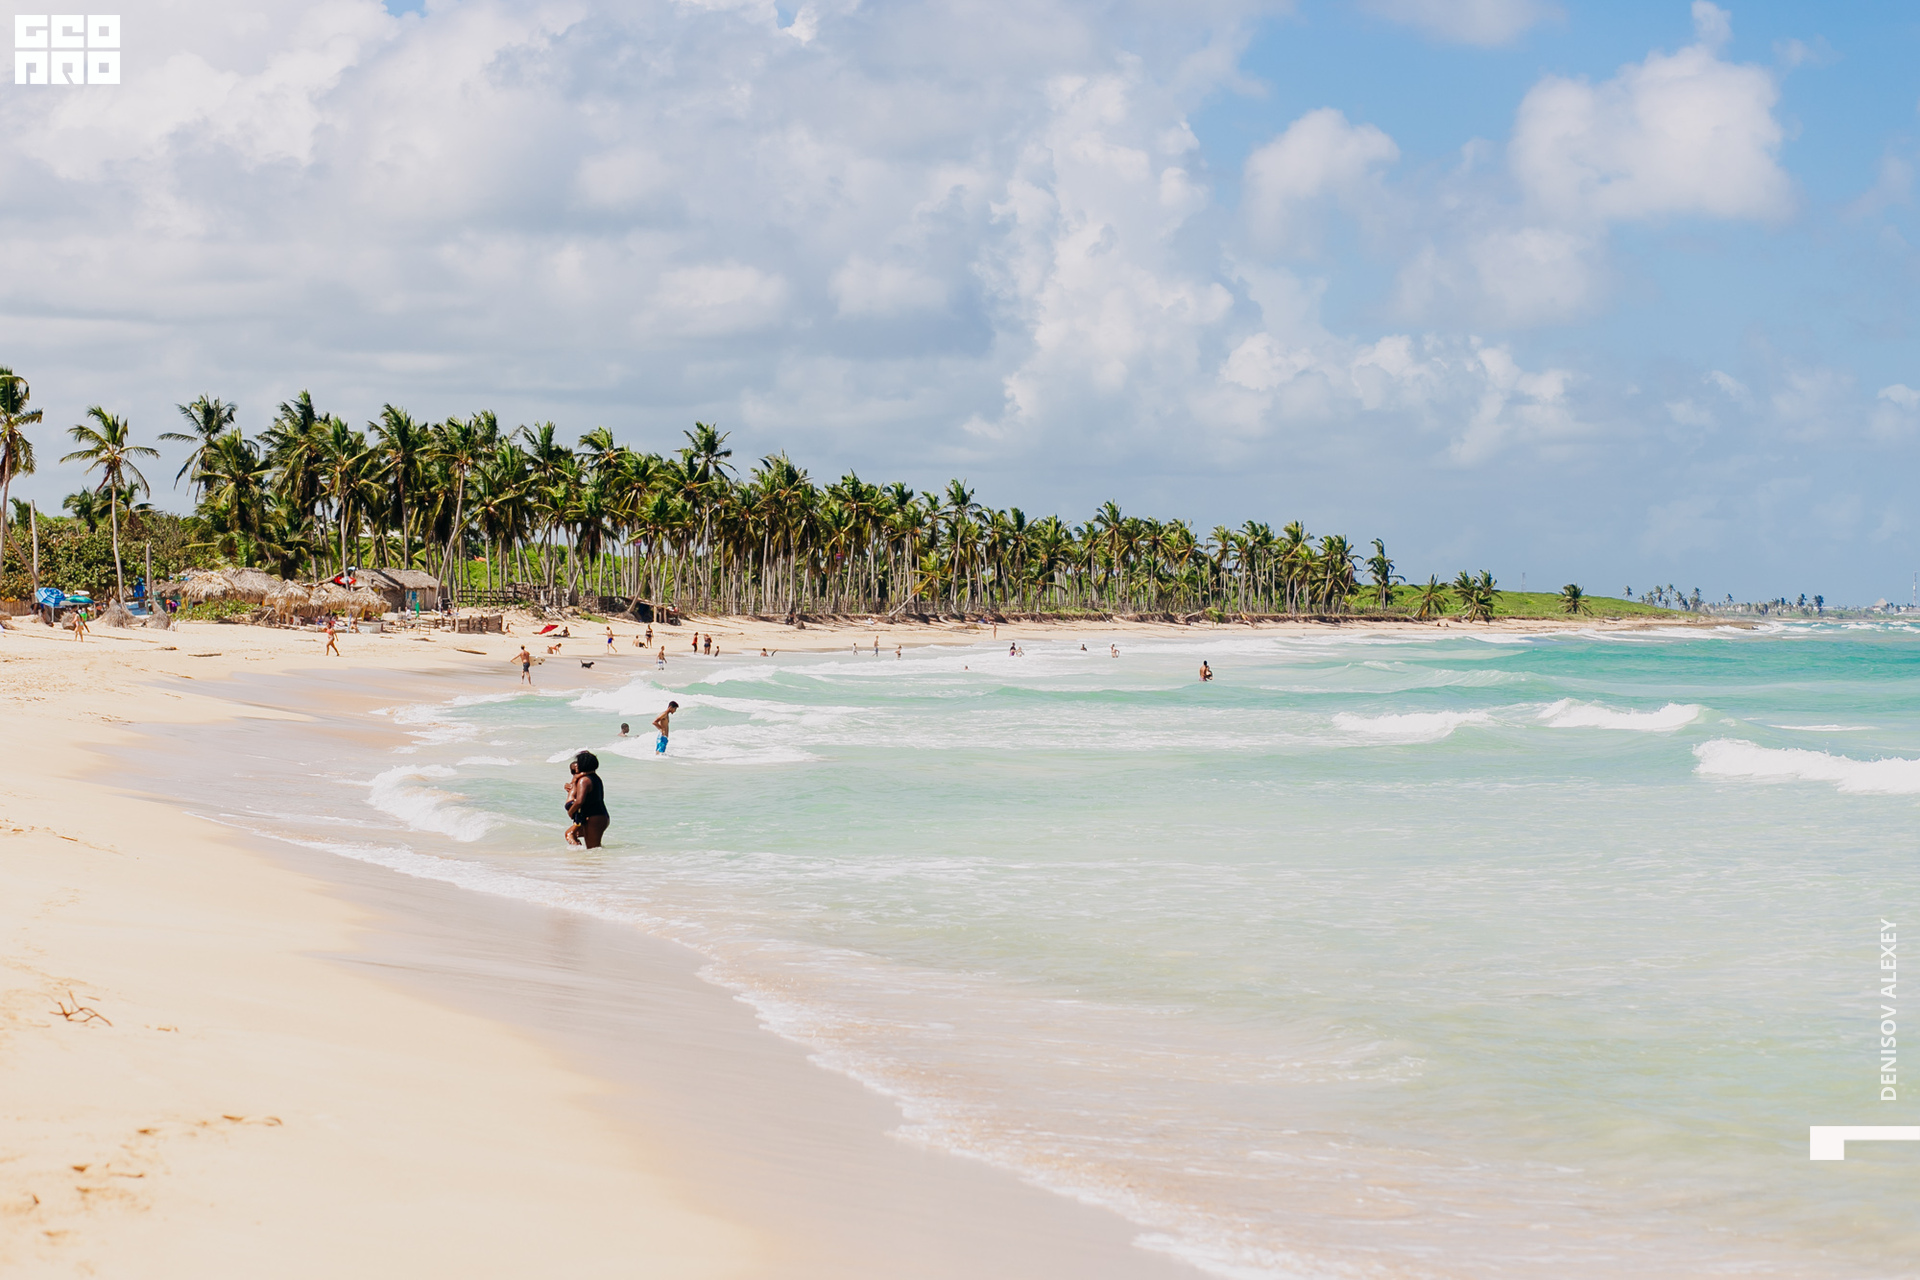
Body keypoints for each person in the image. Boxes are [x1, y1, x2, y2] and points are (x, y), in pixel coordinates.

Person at [564, 751, 610, 849]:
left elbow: (579, 801)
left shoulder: (584, 780)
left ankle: (591, 859)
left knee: (593, 848)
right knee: (571, 834)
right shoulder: (595, 778)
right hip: (599, 816)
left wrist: (570, 812)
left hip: (594, 817)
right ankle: (580, 855)